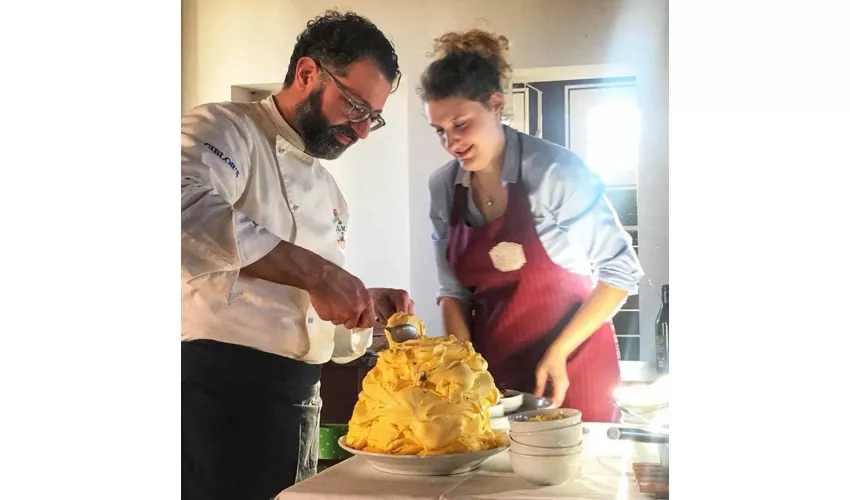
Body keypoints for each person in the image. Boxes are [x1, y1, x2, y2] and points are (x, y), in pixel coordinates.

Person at [181, 11, 413, 500]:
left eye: (373, 117)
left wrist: (364, 311)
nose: (363, 131)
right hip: (217, 396)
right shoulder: (225, 128)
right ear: (308, 74)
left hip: (300, 399)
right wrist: (317, 272)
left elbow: (307, 313)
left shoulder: (330, 192)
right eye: (354, 106)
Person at [421, 30, 644, 423]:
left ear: (495, 104)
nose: (451, 142)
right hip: (495, 381)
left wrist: (559, 352)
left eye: (460, 124)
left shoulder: (555, 172)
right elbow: (453, 291)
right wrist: (462, 370)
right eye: (440, 130)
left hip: (572, 370)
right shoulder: (443, 187)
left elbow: (621, 271)